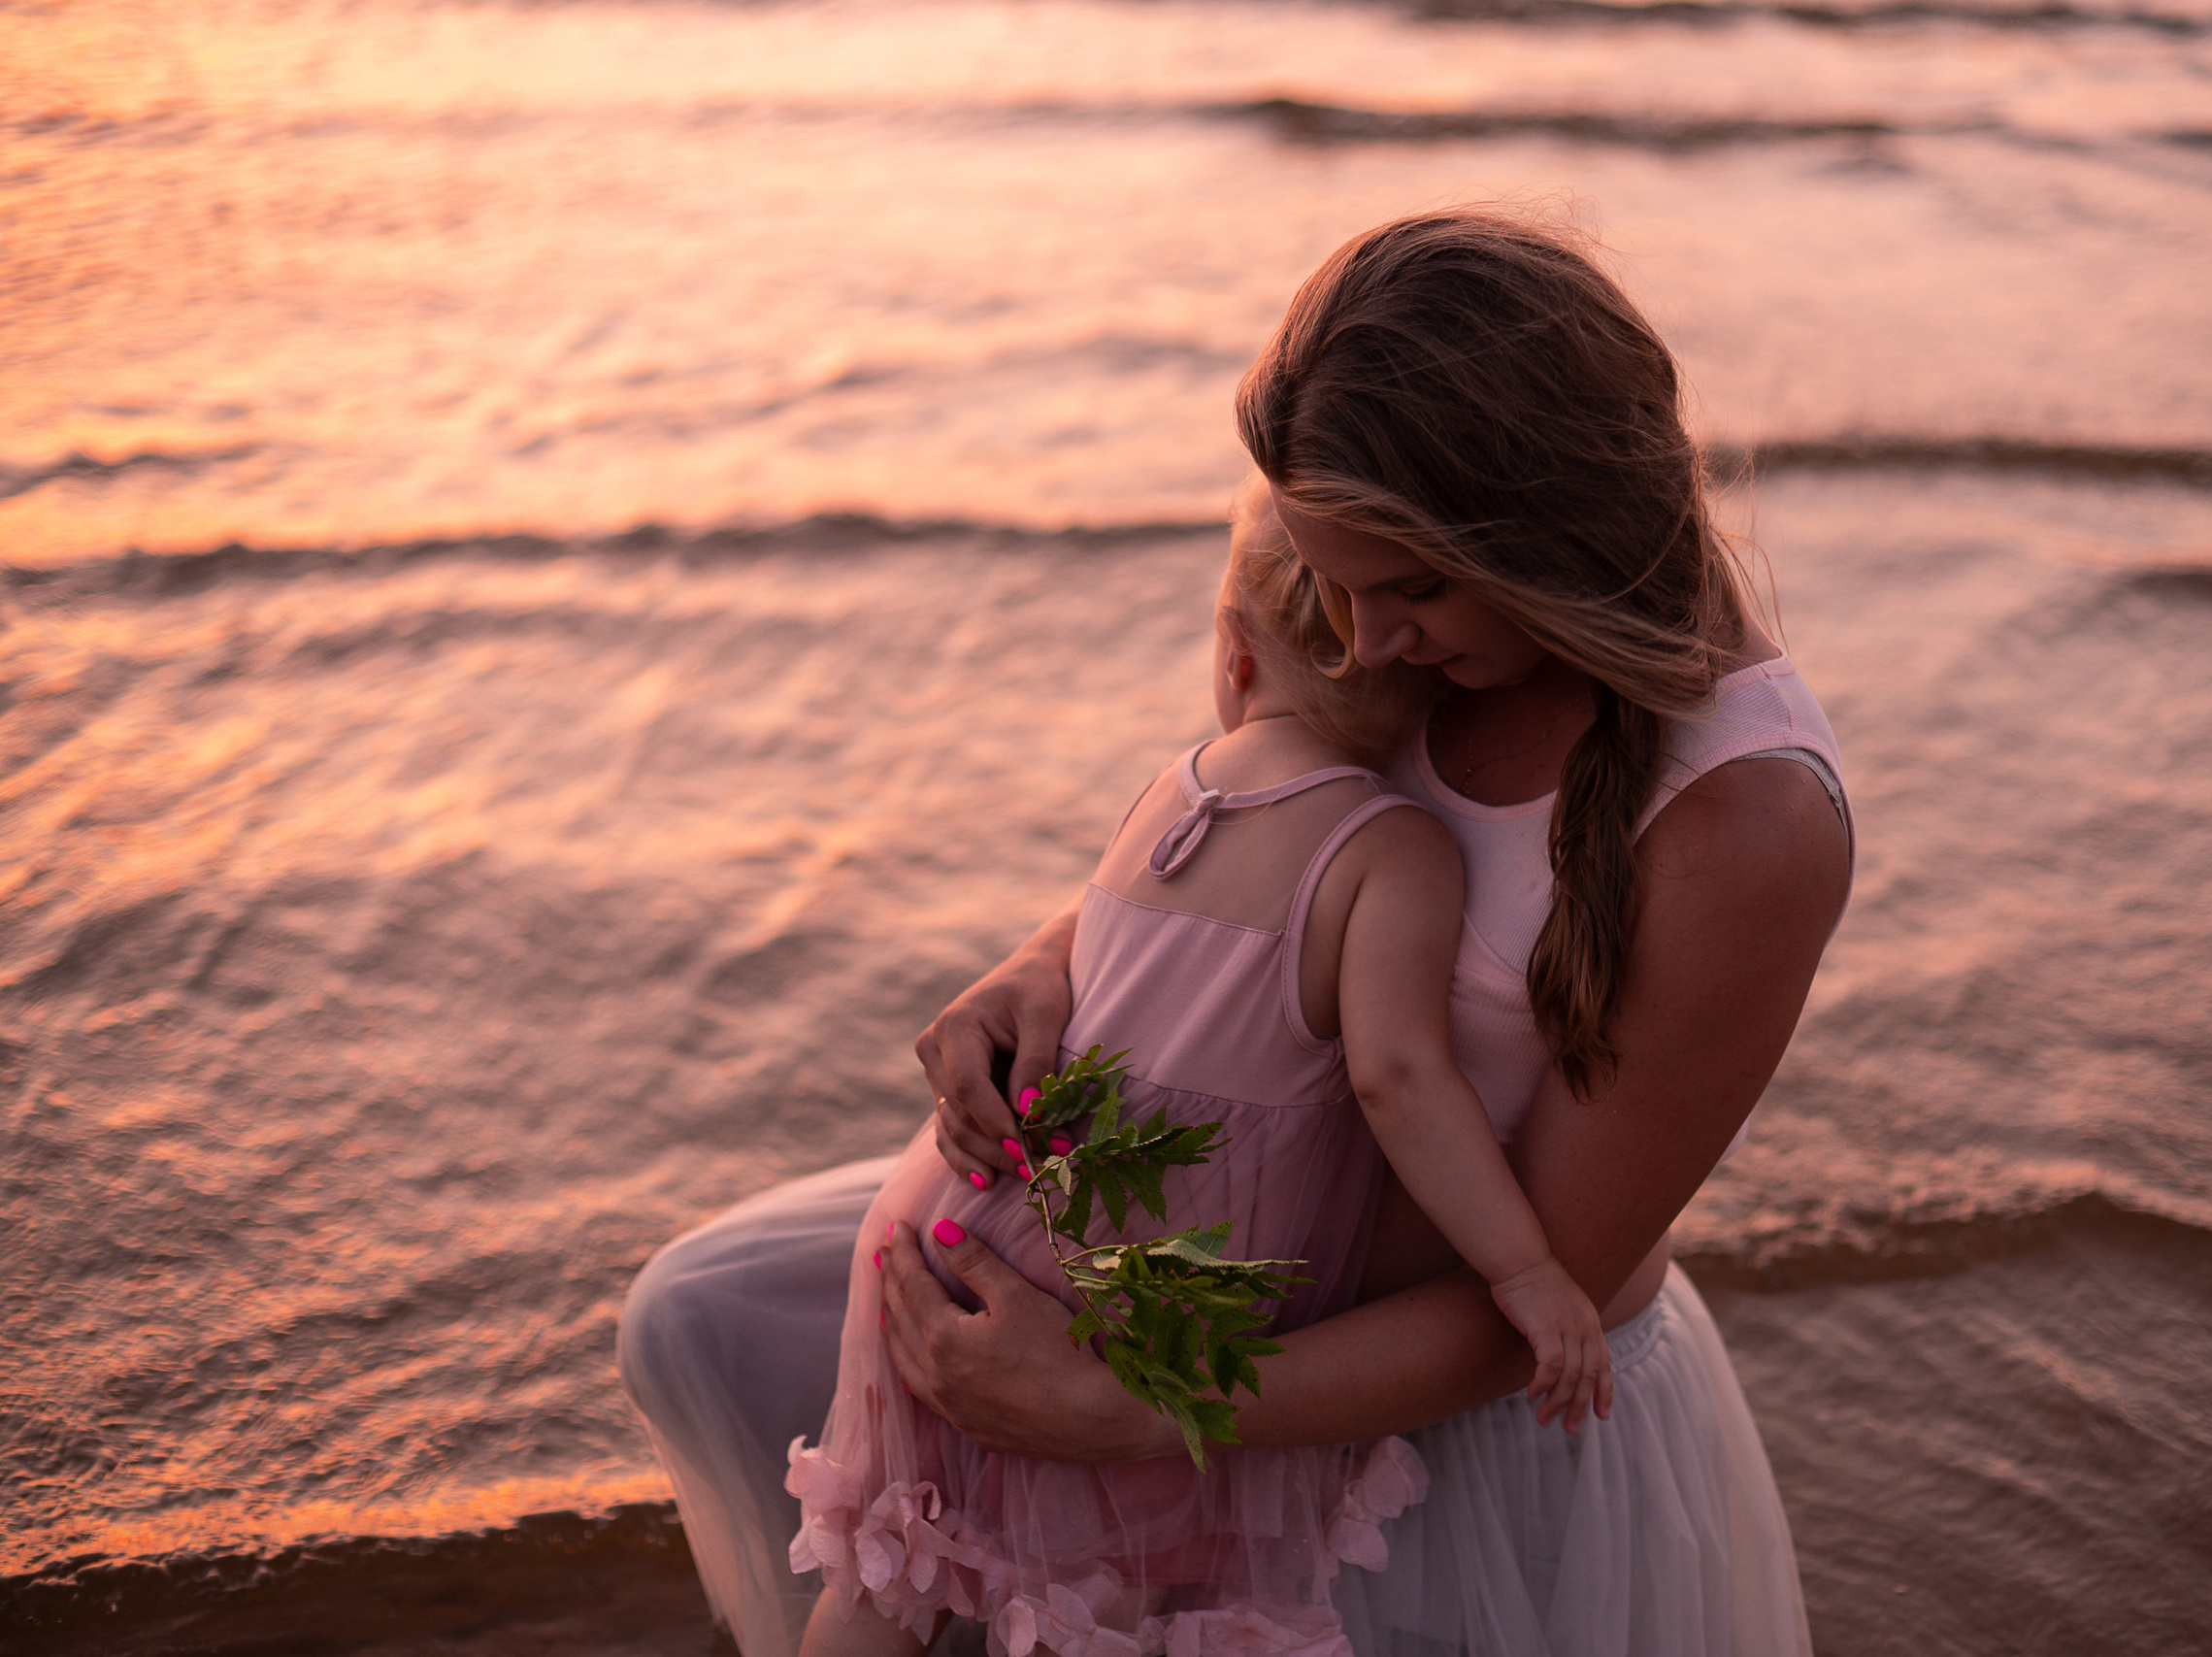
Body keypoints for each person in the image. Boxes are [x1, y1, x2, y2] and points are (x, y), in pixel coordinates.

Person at [623, 207, 1851, 1657]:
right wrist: (1033, 969)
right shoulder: (1416, 607)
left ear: (1540, 524)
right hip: (1195, 1248)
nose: (1367, 640)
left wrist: (1126, 1403)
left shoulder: (1746, 820)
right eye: (1337, 583)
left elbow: (1529, 1293)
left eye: (1406, 590)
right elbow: (1243, 841)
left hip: (1410, 1394)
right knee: (694, 1316)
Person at [788, 485, 1613, 1657]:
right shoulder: (1390, 849)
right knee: (1099, 1601)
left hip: (953, 1217)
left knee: (893, 1570)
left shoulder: (1168, 789)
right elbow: (1398, 1078)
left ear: (1234, 654)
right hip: (1125, 1281)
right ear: (1429, 685)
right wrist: (1527, 1270)